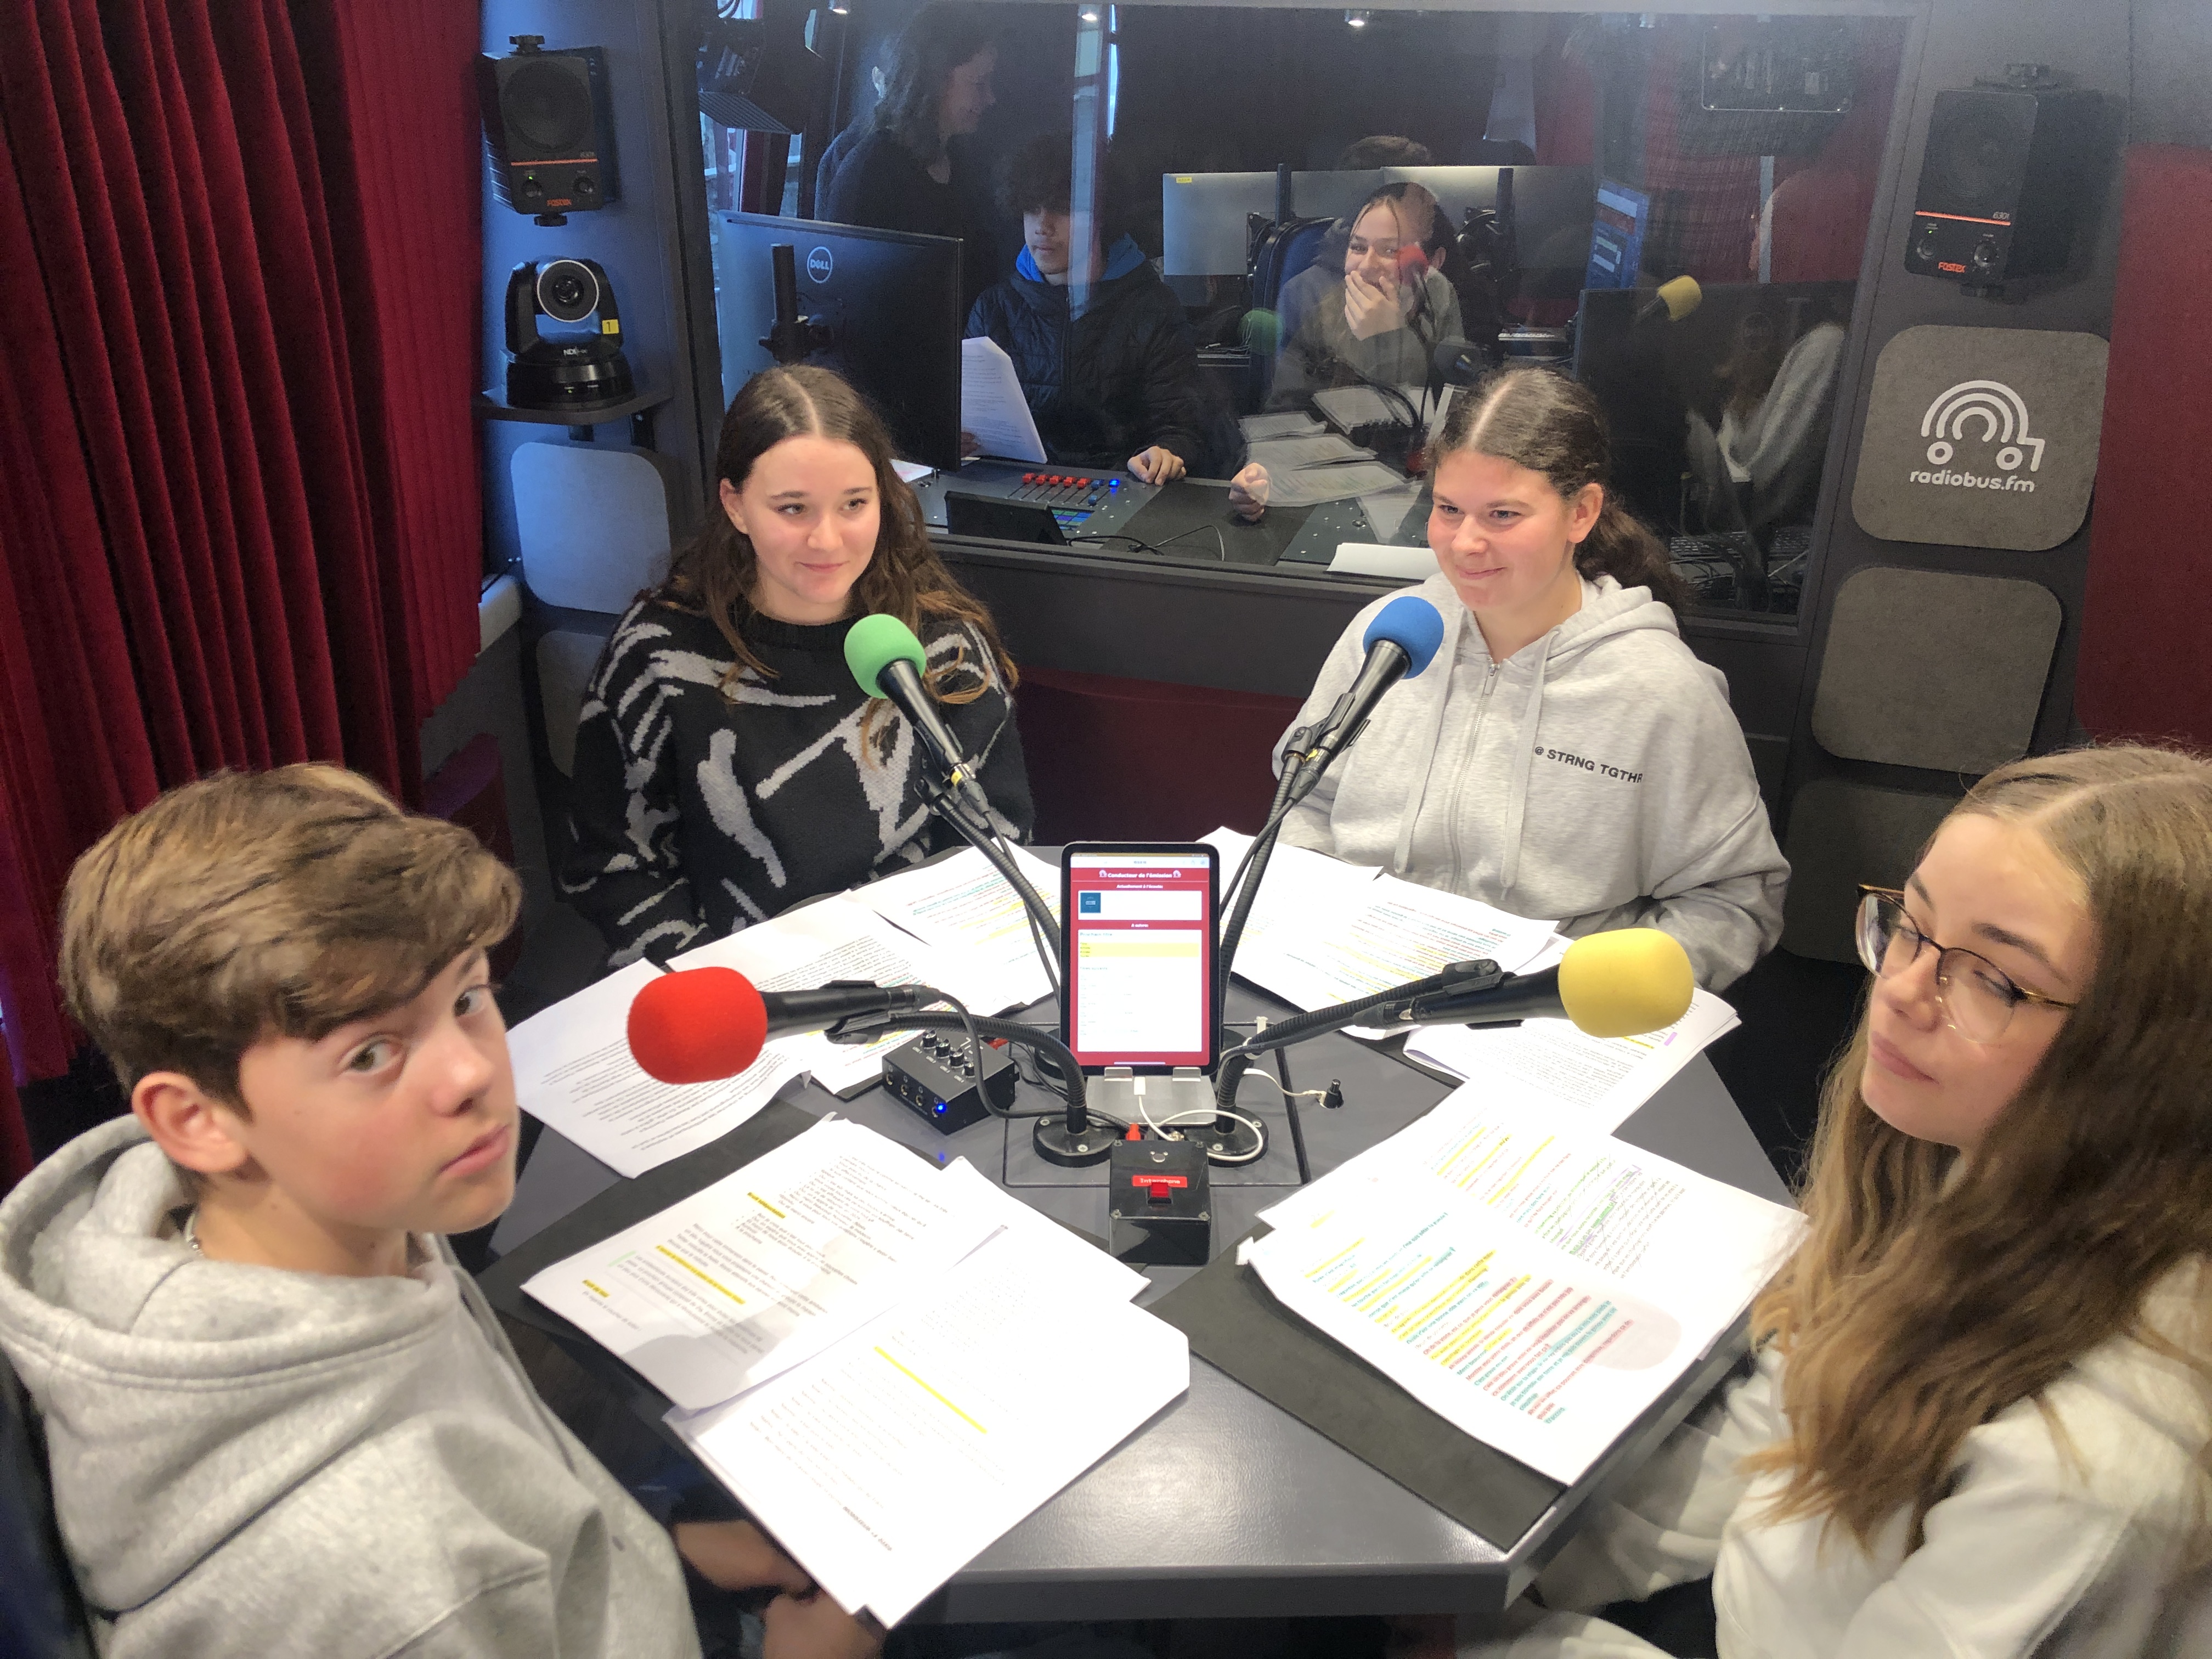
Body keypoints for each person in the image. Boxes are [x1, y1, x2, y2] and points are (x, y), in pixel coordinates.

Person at [0, 765, 875, 1657]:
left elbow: (506, 1493)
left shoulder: (344, 1218)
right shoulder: (392, 1572)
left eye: (465, 996)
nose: (470, 1071)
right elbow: (436, 1577)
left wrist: (663, 1548)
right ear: (196, 1121)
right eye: (370, 1052)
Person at [1443, 743, 2212, 1657]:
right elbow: (1777, 1441)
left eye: (1996, 980)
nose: (1900, 990)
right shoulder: (1954, 1169)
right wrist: (1510, 1592)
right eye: (1912, 926)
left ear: (2156, 1058)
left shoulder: (2089, 1473)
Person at [1274, 368, 1786, 990]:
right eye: (1448, 509)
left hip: (1544, 1010)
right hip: (1350, 980)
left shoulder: (1660, 691)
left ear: (1582, 513)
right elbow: (1307, 804)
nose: (1465, 543)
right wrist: (1312, 928)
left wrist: (1583, 996)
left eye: (1503, 514)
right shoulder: (1386, 637)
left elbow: (1732, 903)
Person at [563, 365, 1032, 969]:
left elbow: (997, 836)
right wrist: (721, 993)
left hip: (921, 976)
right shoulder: (658, 654)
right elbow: (615, 868)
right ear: (736, 506)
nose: (828, 540)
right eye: (793, 509)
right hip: (735, 987)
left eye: (854, 504)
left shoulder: (943, 646)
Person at [964, 133, 1248, 493]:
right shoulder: (994, 308)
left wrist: (1165, 453)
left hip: (1122, 489)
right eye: (1031, 209)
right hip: (1014, 493)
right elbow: (968, 419)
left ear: (1101, 216)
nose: (1042, 226)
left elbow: (1181, 429)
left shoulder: (1152, 308)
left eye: (1062, 209)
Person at [822, 2, 1000, 308]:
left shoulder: (963, 161)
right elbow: (845, 297)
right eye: (978, 83)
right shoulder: (871, 169)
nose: (991, 97)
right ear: (935, 79)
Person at [1268, 182, 1463, 414]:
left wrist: (1392, 338)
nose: (1366, 266)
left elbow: (1453, 407)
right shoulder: (1315, 300)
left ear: (1431, 263)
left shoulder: (1438, 297)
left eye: (1390, 251)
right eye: (1358, 248)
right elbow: (1285, 409)